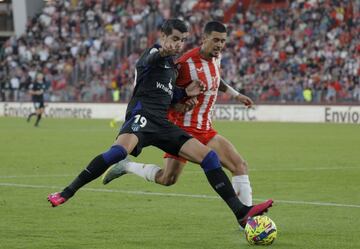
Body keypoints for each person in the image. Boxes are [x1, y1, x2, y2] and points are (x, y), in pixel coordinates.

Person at [47, 19, 272, 228]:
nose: (178, 44)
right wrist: (160, 51)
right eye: (174, 39)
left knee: (208, 158)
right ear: (162, 36)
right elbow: (149, 58)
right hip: (141, 119)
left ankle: (241, 212)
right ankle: (67, 191)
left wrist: (185, 95)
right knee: (117, 152)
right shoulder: (153, 55)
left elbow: (170, 97)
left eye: (182, 40)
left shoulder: (172, 69)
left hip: (163, 124)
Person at [103, 21, 255, 206]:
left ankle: (247, 220)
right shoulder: (184, 64)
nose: (219, 45)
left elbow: (215, 78)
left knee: (239, 165)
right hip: (183, 130)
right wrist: (181, 104)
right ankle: (127, 166)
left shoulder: (216, 57)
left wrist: (236, 95)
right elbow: (167, 95)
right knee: (167, 179)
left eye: (223, 41)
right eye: (216, 40)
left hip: (205, 129)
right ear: (204, 38)